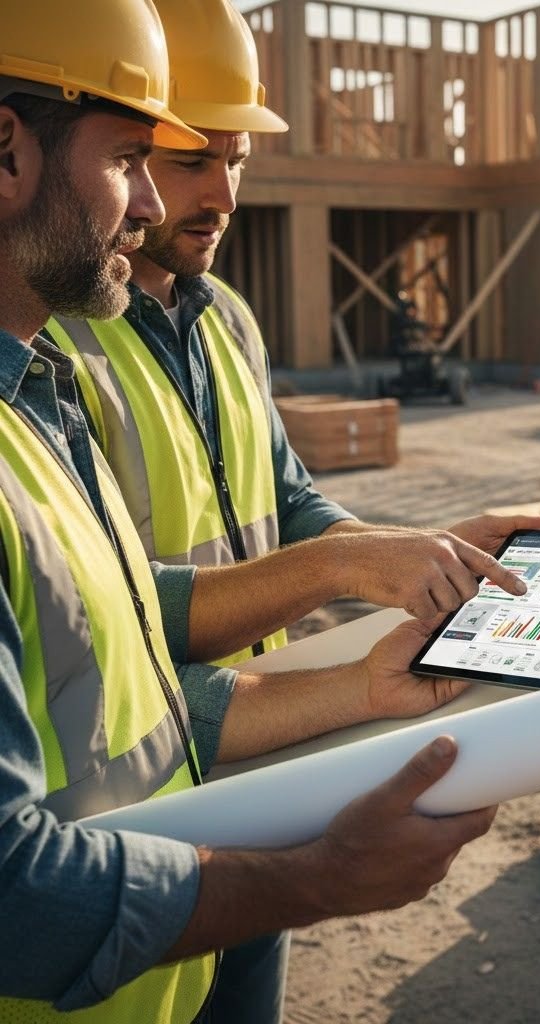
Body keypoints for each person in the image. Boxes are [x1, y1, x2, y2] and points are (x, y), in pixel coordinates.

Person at [0, 4, 495, 1020]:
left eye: (234, 160)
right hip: (115, 917)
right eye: (154, 155)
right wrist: (322, 874)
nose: (186, 197)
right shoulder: (71, 350)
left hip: (225, 771)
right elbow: (19, 887)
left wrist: (404, 562)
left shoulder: (164, 342)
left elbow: (125, 649)